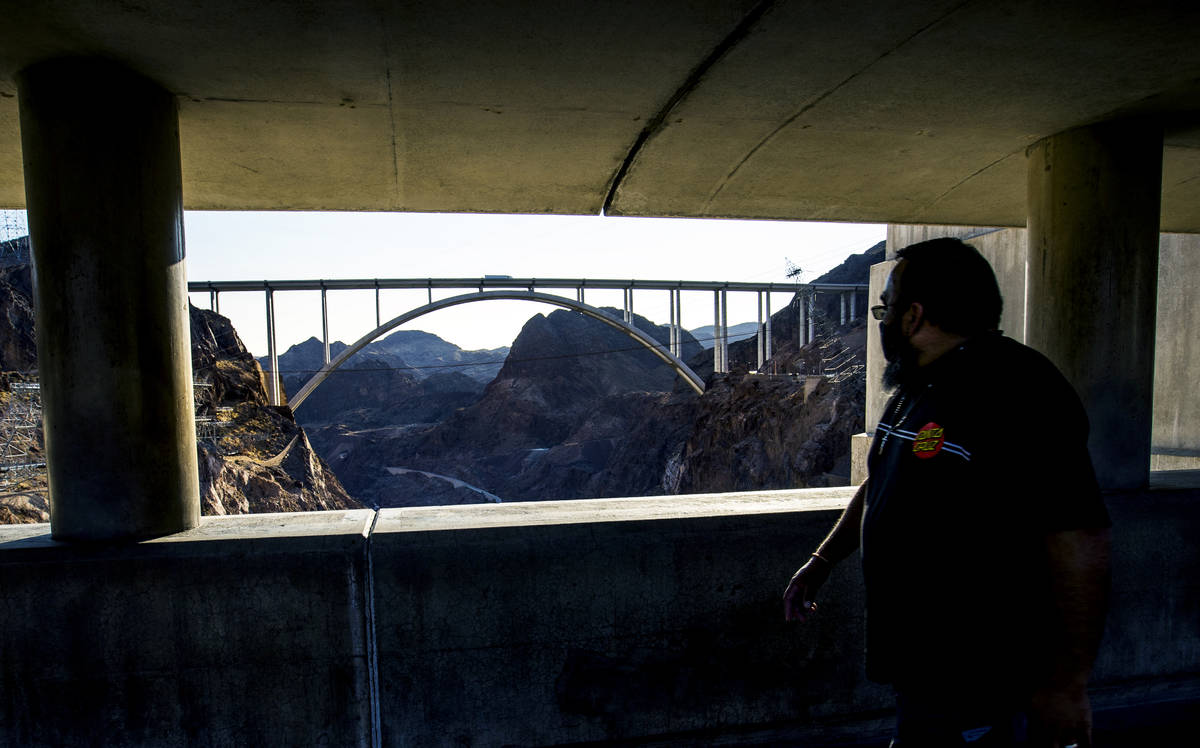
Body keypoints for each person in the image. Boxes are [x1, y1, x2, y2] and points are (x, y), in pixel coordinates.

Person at [783, 238, 1111, 747]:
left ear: (913, 316)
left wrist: (1066, 687)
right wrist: (822, 561)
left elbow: (1079, 540)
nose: (881, 320)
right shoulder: (917, 386)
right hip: (922, 677)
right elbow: (883, 480)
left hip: (980, 678)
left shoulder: (1019, 391)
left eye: (884, 309)